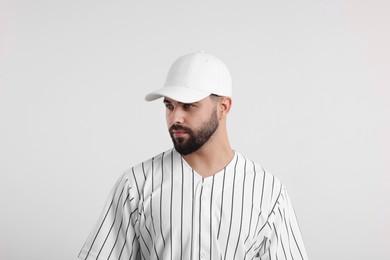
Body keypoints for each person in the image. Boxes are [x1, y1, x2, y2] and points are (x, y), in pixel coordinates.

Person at [78, 51, 308, 260]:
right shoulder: (136, 184)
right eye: (169, 105)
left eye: (188, 105)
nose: (175, 117)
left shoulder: (267, 191)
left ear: (224, 107)